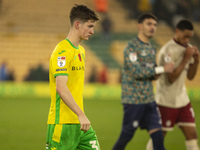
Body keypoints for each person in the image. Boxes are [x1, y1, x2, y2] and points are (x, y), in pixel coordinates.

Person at [112, 13, 174, 150]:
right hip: (134, 100)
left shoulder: (152, 49)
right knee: (126, 136)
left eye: (155, 25)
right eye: (149, 24)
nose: (153, 27)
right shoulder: (131, 47)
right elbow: (137, 71)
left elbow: (150, 72)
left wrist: (158, 72)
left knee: (158, 137)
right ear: (140, 26)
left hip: (149, 100)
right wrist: (161, 69)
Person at [45, 4, 100, 150]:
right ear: (77, 24)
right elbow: (61, 88)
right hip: (62, 124)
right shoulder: (62, 51)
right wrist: (81, 114)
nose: (92, 31)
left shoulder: (81, 51)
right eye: (89, 26)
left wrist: (80, 116)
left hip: (80, 124)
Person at [146, 19, 199, 150]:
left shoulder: (187, 49)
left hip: (182, 100)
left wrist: (196, 60)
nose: (187, 39)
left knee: (192, 135)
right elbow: (171, 78)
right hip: (166, 101)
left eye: (190, 37)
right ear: (177, 31)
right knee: (159, 136)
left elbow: (190, 77)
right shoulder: (167, 51)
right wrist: (186, 58)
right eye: (185, 36)